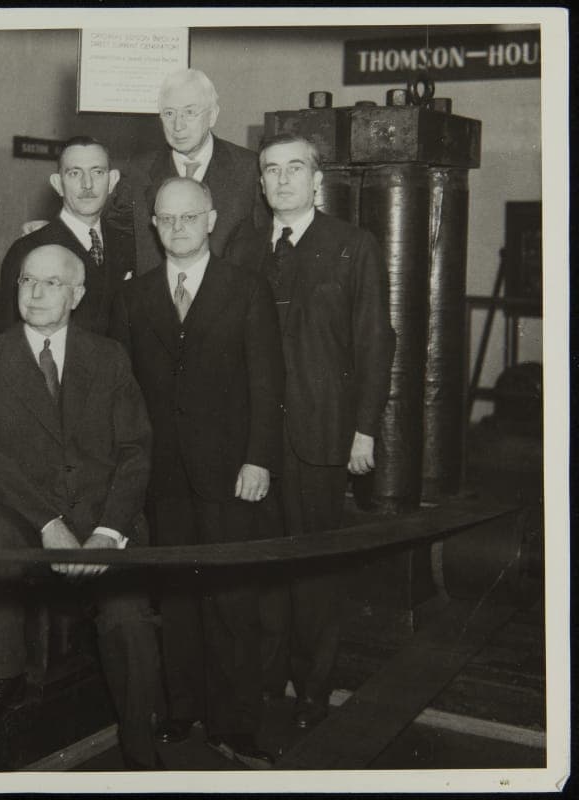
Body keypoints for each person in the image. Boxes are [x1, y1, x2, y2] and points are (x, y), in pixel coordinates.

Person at [0, 243, 162, 770]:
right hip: (24, 513)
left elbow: (135, 451)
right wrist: (47, 523)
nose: (37, 293)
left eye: (52, 283)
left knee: (127, 614)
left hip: (100, 518)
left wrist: (108, 533)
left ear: (77, 294)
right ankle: (4, 676)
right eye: (28, 281)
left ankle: (141, 741)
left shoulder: (109, 357)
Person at [109, 177, 284, 768]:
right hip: (164, 475)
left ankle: (236, 726)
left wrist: (258, 457)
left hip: (233, 470)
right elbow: (126, 393)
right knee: (178, 596)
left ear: (211, 220)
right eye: (166, 218)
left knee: (232, 599)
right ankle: (181, 710)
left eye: (189, 217)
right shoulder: (136, 297)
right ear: (154, 225)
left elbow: (267, 382)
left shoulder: (246, 289)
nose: (177, 227)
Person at [225, 133, 395, 730]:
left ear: (317, 179)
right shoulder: (242, 246)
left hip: (320, 438)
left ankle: (314, 694)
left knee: (316, 575)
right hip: (251, 444)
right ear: (261, 182)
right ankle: (267, 687)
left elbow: (377, 343)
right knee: (263, 570)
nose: (282, 180)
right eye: (271, 170)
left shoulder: (353, 245)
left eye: (295, 169)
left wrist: (365, 430)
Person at [106, 67, 269, 275]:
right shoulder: (138, 172)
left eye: (189, 112)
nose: (178, 125)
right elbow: (118, 244)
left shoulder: (249, 169)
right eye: (169, 113)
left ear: (212, 116)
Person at [0, 136, 133, 335]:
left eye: (97, 172)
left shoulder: (127, 244)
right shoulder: (28, 249)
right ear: (58, 183)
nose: (87, 184)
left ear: (112, 181)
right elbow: (10, 337)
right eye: (75, 173)